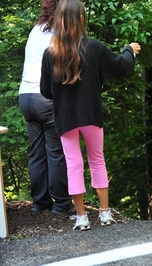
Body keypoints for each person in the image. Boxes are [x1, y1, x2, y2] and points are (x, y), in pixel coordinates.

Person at [40, 0, 141, 230]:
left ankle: (81, 218)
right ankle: (105, 214)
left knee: (73, 164)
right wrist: (129, 50)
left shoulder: (50, 54)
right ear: (81, 19)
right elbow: (122, 67)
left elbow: (46, 91)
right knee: (97, 160)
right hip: (92, 114)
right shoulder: (94, 48)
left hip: (65, 119)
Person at [18, 0, 73, 215]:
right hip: (45, 97)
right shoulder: (61, 33)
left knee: (37, 152)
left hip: (26, 97)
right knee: (56, 152)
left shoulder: (35, 30)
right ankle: (61, 204)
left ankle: (39, 203)